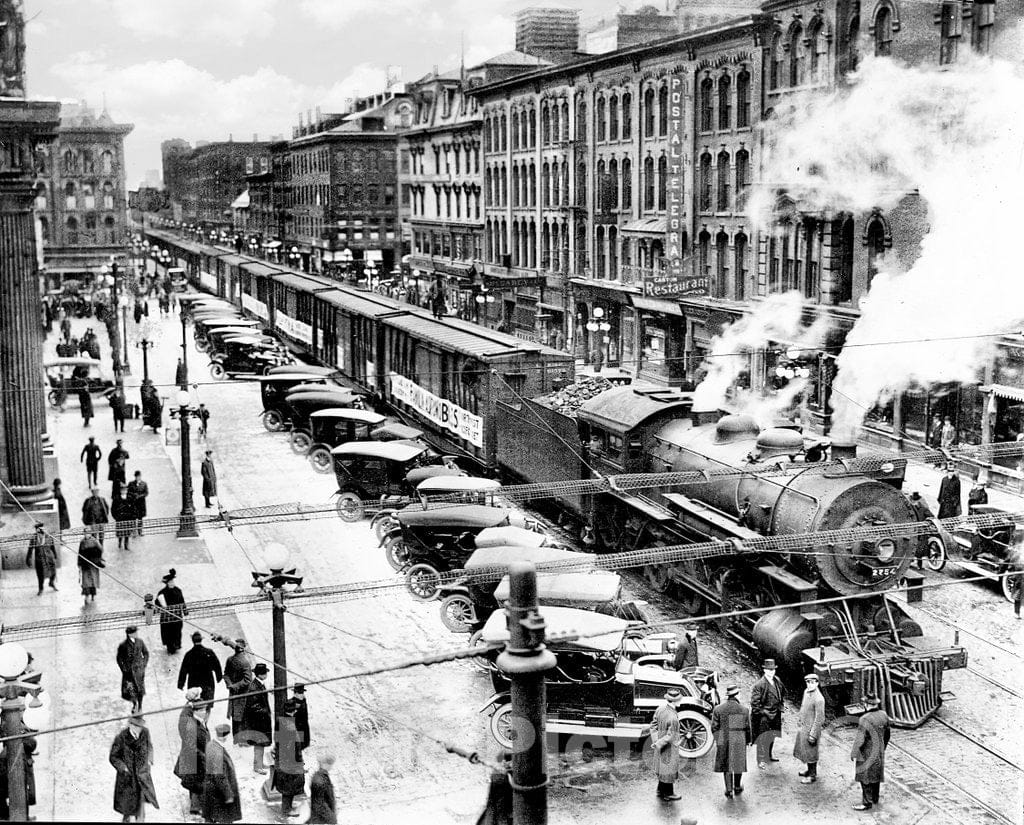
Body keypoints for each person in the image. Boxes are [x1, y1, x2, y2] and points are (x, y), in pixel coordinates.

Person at [109, 712, 159, 823]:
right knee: (127, 808)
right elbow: (113, 757)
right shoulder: (121, 737)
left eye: (140, 726)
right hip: (128, 779)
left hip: (142, 777)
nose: (139, 729)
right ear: (130, 725)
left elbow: (149, 745)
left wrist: (150, 760)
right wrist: (123, 768)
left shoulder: (145, 732)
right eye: (136, 726)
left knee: (140, 808)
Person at [850, 694, 891, 811]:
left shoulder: (865, 718)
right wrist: (883, 747)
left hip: (867, 753)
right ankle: (875, 798)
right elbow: (888, 734)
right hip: (879, 752)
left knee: (865, 777)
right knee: (876, 775)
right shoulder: (884, 715)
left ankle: (866, 803)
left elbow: (860, 739)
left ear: (866, 704)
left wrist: (854, 752)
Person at [712, 684, 752, 798]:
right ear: (737, 695)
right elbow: (747, 727)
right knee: (737, 763)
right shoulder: (744, 710)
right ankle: (737, 787)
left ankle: (728, 789)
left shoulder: (718, 709)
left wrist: (718, 739)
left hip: (723, 739)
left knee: (726, 764)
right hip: (739, 739)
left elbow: (714, 727)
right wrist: (748, 740)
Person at [174, 690, 210, 815]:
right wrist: (202, 755)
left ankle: (196, 804)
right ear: (197, 711)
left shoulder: (192, 716)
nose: (206, 712)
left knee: (195, 780)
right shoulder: (191, 723)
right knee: (197, 781)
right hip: (194, 757)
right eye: (204, 709)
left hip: (195, 756)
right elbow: (191, 745)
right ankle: (195, 807)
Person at [273, 699, 307, 818]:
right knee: (290, 787)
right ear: (294, 711)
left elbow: (276, 738)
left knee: (286, 786)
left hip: (281, 758)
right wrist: (300, 762)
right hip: (290, 762)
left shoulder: (279, 720)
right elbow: (296, 748)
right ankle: (286, 810)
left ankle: (286, 808)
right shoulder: (290, 727)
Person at [202, 723, 242, 824]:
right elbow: (220, 776)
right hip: (219, 794)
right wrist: (228, 794)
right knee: (225, 819)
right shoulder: (218, 752)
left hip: (210, 790)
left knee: (211, 817)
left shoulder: (210, 744)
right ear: (225, 737)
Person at [750, 657, 785, 768]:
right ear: (764, 670)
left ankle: (769, 755)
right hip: (764, 717)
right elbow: (755, 704)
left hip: (776, 714)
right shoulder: (759, 685)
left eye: (773, 670)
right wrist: (763, 712)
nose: (772, 672)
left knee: (772, 736)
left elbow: (782, 693)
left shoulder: (777, 680)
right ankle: (761, 760)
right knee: (762, 738)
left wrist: (780, 706)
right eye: (769, 670)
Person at [0, 721, 38, 820]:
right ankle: (15, 815)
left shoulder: (17, 723)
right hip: (16, 762)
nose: (22, 712)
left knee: (23, 790)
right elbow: (31, 744)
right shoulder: (10, 723)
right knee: (21, 789)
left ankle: (20, 815)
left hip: (19, 759)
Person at [651, 688, 683, 801]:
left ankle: (660, 790)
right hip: (669, 747)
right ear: (675, 701)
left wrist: (656, 741)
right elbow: (670, 736)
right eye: (679, 699)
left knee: (661, 768)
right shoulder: (673, 717)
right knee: (669, 770)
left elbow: (653, 725)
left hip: (660, 745)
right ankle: (668, 793)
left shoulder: (660, 709)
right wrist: (660, 743)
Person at [240, 662, 273, 774]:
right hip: (258, 721)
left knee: (261, 743)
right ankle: (257, 766)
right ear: (262, 674)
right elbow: (254, 706)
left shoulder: (258, 684)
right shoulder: (255, 687)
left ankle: (260, 763)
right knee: (259, 744)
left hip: (260, 720)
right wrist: (265, 712)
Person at [794, 673, 826, 783]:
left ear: (817, 683)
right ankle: (808, 770)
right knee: (806, 751)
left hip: (812, 729)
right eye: (808, 682)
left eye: (812, 682)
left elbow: (819, 719)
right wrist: (800, 718)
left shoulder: (819, 699)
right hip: (804, 727)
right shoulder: (806, 692)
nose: (810, 685)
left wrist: (813, 734)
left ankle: (812, 775)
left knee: (812, 752)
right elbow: (803, 707)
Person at [178, 632, 224, 702]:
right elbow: (217, 666)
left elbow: (183, 670)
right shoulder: (209, 652)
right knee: (207, 702)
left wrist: (181, 684)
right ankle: (208, 712)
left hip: (193, 683)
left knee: (195, 703)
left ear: (192, 641)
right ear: (201, 640)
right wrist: (219, 677)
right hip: (208, 682)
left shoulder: (189, 654)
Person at [223, 640, 252, 741]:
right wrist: (236, 686)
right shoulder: (245, 662)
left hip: (233, 691)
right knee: (243, 714)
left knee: (235, 713)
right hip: (243, 692)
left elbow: (225, 674)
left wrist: (230, 685)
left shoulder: (230, 659)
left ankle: (236, 738)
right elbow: (248, 680)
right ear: (243, 649)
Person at [117, 626, 150, 712]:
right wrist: (123, 669)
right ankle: (134, 704)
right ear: (129, 634)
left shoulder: (140, 642)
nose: (136, 634)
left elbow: (146, 653)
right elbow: (119, 658)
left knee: (140, 690)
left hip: (139, 670)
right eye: (134, 633)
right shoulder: (123, 645)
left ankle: (140, 706)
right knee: (131, 690)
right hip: (129, 672)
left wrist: (144, 664)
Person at [155, 569, 187, 653]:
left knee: (177, 631)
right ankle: (170, 646)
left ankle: (176, 644)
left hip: (177, 616)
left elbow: (182, 601)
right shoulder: (162, 593)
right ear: (167, 583)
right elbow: (157, 603)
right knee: (168, 632)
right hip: (167, 618)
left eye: (173, 582)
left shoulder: (178, 591)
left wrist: (185, 610)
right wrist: (160, 606)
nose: (172, 583)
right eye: (170, 582)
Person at [25, 522, 57, 595]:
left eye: (40, 528)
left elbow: (53, 547)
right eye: (37, 529)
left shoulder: (49, 536)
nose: (38, 530)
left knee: (53, 572)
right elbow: (30, 549)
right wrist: (28, 559)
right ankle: (41, 589)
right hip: (39, 559)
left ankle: (51, 583)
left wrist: (55, 555)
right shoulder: (34, 538)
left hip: (49, 557)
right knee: (40, 575)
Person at [308, 753, 337, 824]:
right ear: (325, 764)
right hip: (320, 817)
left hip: (322, 815)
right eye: (330, 764)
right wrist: (331, 817)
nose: (331, 767)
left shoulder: (323, 776)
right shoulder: (319, 778)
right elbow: (319, 802)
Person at [78, 528, 104, 604]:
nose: (86, 535)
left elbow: (101, 550)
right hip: (85, 564)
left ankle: (93, 594)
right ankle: (86, 596)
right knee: (85, 581)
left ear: (90, 534)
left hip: (93, 564)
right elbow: (79, 553)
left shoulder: (95, 541)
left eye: (88, 533)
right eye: (85, 533)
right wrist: (79, 563)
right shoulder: (82, 542)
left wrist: (95, 556)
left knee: (93, 580)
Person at [126, 471, 149, 537]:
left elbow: (146, 493)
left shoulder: (144, 484)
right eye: (136, 476)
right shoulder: (131, 483)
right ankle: (133, 532)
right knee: (133, 518)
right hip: (134, 503)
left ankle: (140, 531)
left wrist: (140, 496)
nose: (138, 478)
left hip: (141, 504)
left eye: (139, 476)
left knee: (140, 518)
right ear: (135, 477)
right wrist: (134, 495)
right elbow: (129, 492)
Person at [292, 684, 310, 752]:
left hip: (304, 726)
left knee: (304, 744)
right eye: (299, 693)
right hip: (297, 727)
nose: (301, 695)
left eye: (302, 693)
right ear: (295, 693)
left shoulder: (303, 701)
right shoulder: (292, 702)